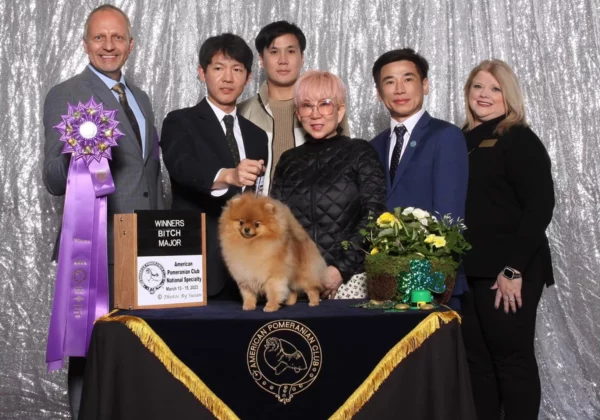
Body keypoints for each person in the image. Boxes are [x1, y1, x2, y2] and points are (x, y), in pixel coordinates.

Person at [42, 4, 164, 419]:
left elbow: (149, 174)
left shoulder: (141, 98)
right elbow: (53, 179)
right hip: (95, 247)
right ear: (85, 44)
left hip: (144, 249)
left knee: (143, 352)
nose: (108, 46)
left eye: (117, 37)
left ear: (131, 44)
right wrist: (80, 153)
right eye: (99, 37)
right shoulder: (66, 94)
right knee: (90, 352)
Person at [460, 59, 555, 420]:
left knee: (511, 361)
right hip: (470, 272)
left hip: (509, 271)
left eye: (495, 88)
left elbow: (540, 205)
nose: (484, 95)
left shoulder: (517, 137)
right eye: (478, 87)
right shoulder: (462, 138)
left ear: (509, 95)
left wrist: (514, 269)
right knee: (478, 363)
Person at [160, 33, 268, 300]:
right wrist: (229, 176)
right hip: (196, 265)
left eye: (237, 70)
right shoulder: (180, 121)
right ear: (202, 73)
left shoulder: (257, 136)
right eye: (219, 68)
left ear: (248, 77)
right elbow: (182, 167)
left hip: (249, 271)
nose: (228, 78)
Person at [270, 70, 386, 299]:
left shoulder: (360, 152)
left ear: (340, 111)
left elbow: (375, 214)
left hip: (349, 280)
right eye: (307, 106)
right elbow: (276, 222)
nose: (315, 114)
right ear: (298, 113)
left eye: (325, 104)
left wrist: (340, 269)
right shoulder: (288, 160)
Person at [369, 48, 469, 304]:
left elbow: (449, 218)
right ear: (379, 93)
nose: (399, 89)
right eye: (389, 82)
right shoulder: (373, 146)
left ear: (425, 85)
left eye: (408, 79)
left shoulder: (446, 136)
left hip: (432, 285)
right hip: (383, 284)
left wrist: (424, 282)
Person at [239, 21, 349, 194]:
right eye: (274, 52)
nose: (283, 61)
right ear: (261, 60)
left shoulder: (326, 111)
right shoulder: (242, 112)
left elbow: (345, 165)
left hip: (315, 207)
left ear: (302, 57)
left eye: (291, 51)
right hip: (259, 209)